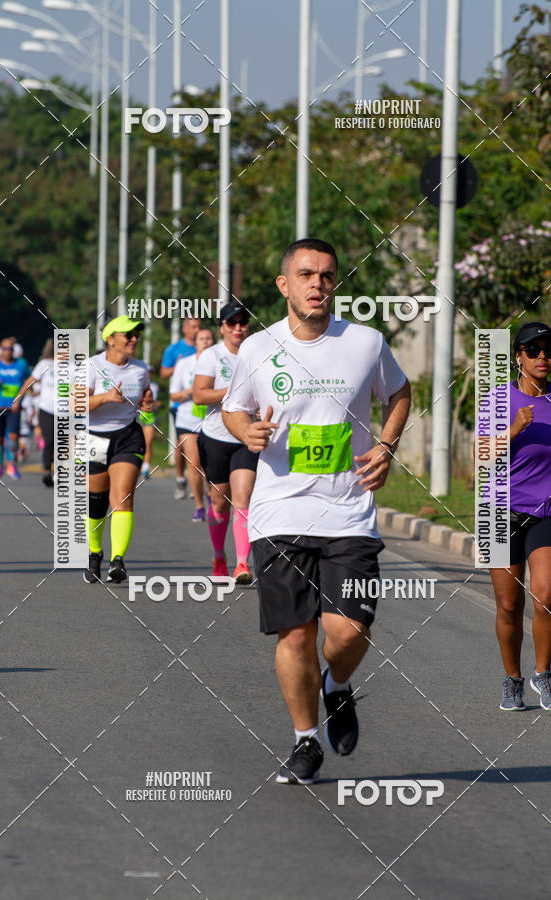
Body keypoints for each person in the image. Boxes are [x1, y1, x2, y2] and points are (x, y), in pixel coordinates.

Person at [222, 238, 411, 784]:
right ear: (285, 285)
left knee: (350, 630)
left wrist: (387, 445)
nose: (318, 284)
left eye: (327, 275)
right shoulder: (258, 348)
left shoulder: (366, 342)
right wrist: (247, 431)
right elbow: (235, 408)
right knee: (296, 634)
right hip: (279, 511)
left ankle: (336, 685)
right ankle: (305, 740)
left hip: (348, 512)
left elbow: (399, 394)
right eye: (306, 274)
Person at [489, 322, 551, 712]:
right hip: (497, 511)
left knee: (546, 596)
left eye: (549, 349)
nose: (543, 356)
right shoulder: (497, 400)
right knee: (509, 605)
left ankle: (543, 673)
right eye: (533, 349)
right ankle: (512, 680)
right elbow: (482, 456)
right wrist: (513, 429)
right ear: (517, 356)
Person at [84, 315, 153, 585]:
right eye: (128, 335)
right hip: (94, 437)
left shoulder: (140, 368)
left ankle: (117, 561)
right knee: (96, 503)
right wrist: (105, 398)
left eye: (136, 334)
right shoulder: (91, 366)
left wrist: (148, 405)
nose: (134, 339)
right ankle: (94, 554)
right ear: (111, 339)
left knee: (122, 497)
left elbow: (147, 401)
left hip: (128, 435)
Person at [193, 303, 258, 583]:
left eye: (242, 323)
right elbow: (199, 395)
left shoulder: (258, 355)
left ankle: (242, 564)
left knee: (243, 497)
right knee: (219, 502)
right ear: (222, 328)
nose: (237, 328)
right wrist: (232, 392)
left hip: (246, 436)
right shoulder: (212, 356)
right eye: (231, 323)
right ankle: (219, 555)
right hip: (216, 437)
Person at [170, 327, 215, 521]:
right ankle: (199, 506)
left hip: (211, 420)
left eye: (208, 338)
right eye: (201, 339)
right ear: (195, 343)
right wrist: (191, 391)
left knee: (210, 466)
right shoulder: (184, 364)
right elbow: (173, 394)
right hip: (187, 419)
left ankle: (212, 496)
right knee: (195, 463)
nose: (205, 342)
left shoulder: (219, 362)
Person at [160, 317, 201, 498]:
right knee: (181, 444)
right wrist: (177, 366)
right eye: (193, 327)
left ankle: (196, 481)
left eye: (199, 327)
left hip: (201, 406)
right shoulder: (174, 349)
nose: (197, 330)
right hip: (180, 405)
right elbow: (163, 373)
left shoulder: (204, 347)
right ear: (185, 329)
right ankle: (180, 478)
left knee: (201, 445)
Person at [0, 338, 31, 479]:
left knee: (14, 436)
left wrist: (24, 395)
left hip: (14, 407)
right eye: (5, 348)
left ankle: (12, 464)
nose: (8, 352)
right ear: (1, 349)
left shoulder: (21, 364)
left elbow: (29, 379)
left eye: (10, 349)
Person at [15, 338, 55, 486]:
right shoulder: (44, 365)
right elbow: (29, 382)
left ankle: (60, 472)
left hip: (66, 411)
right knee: (49, 441)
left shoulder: (74, 365)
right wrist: (18, 399)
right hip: (46, 410)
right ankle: (46, 472)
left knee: (64, 443)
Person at [140, 367, 160, 480]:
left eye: (150, 373)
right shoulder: (136, 382)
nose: (149, 374)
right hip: (137, 416)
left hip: (149, 417)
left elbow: (154, 401)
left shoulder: (154, 386)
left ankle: (146, 468)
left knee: (147, 443)